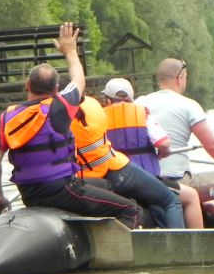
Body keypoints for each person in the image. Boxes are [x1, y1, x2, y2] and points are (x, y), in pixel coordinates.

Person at [0, 22, 140, 228]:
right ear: (57, 89)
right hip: (62, 190)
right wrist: (70, 51)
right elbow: (79, 79)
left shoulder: (8, 116)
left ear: (27, 85)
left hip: (30, 193)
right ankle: (114, 255)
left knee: (107, 185)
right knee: (131, 209)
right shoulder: (61, 107)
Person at [136, 58, 214, 227]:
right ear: (180, 78)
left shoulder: (139, 103)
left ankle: (209, 208)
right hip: (176, 181)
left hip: (145, 180)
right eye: (186, 77)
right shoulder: (188, 105)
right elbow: (212, 145)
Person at [102, 77, 203, 228]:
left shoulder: (100, 117)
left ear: (107, 100)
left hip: (115, 179)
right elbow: (164, 143)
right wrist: (163, 153)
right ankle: (184, 244)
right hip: (144, 178)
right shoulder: (142, 114)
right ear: (131, 99)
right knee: (183, 197)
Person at [72, 94, 184, 228]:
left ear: (108, 101)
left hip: (88, 178)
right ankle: (179, 247)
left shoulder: (54, 118)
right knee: (171, 200)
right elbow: (164, 144)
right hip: (118, 169)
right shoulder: (92, 105)